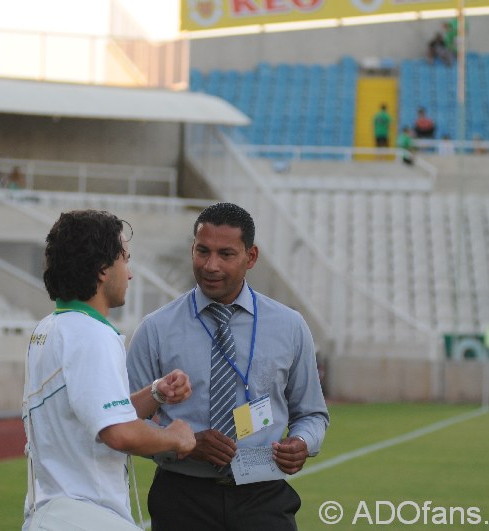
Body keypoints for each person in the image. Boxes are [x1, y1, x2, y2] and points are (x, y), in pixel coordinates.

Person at [126, 202, 329, 531]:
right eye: (202, 251)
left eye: (226, 254)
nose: (211, 265)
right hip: (181, 498)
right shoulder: (155, 329)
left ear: (251, 257)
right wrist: (184, 445)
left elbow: (312, 413)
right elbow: (126, 421)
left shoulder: (289, 326)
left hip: (264, 497)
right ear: (192, 248)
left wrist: (303, 443)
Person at [21, 210, 196, 531]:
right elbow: (119, 433)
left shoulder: (49, 328)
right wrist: (174, 437)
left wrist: (156, 393)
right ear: (103, 269)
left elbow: (93, 412)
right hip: (84, 516)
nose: (129, 274)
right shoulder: (92, 334)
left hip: (52, 513)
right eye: (125, 260)